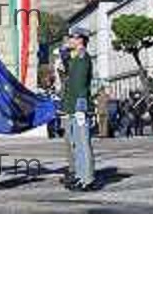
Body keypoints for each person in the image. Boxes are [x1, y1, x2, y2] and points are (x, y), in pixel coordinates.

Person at [61, 28, 96, 191]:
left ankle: (87, 179)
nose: (70, 40)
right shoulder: (75, 58)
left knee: (83, 144)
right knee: (77, 144)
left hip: (79, 106)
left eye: (72, 38)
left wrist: (80, 108)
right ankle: (80, 176)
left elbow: (81, 85)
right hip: (73, 106)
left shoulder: (82, 58)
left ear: (80, 40)